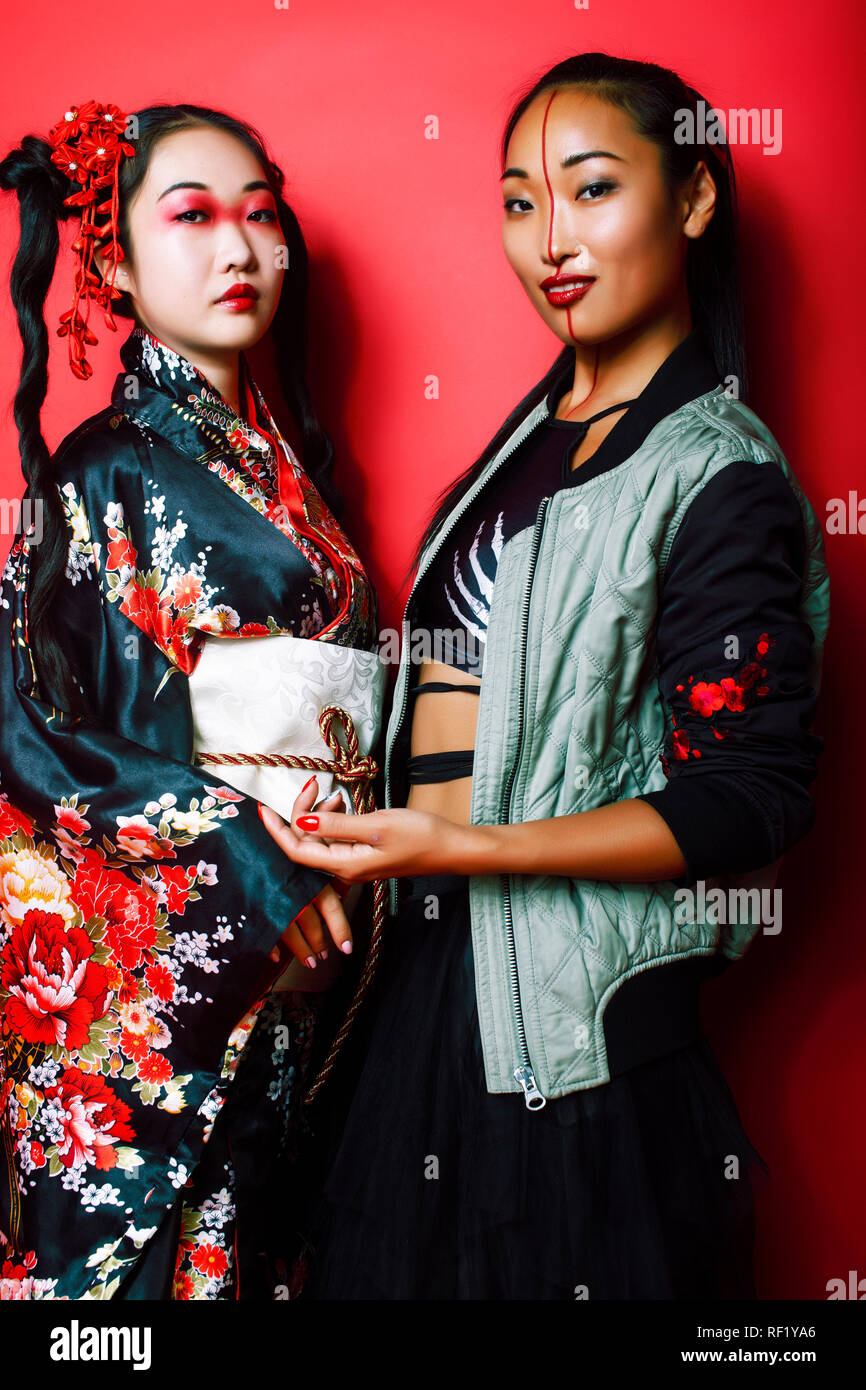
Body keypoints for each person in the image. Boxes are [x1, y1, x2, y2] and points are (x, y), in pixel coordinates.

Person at [259, 53, 831, 1300]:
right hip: (416, 1001)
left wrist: (466, 849)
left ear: (690, 200)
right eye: (519, 201)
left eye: (589, 189)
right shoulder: (529, 437)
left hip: (576, 1059)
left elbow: (751, 798)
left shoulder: (714, 474)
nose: (548, 240)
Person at [0, 100, 385, 1300]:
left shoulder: (292, 473)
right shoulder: (101, 472)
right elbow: (35, 739)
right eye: (193, 217)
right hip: (200, 948)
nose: (237, 249)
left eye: (259, 217)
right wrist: (250, 866)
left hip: (298, 959)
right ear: (111, 258)